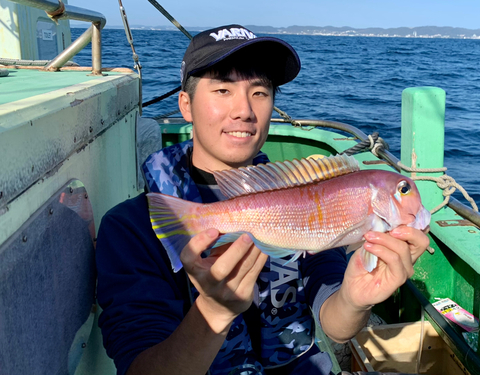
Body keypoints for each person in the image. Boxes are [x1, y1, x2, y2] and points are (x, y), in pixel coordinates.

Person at [96, 24, 430, 375]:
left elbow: (334, 323)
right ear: (187, 105)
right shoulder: (130, 227)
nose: (244, 110)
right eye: (223, 89)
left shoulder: (307, 202)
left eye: (260, 92)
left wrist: (354, 299)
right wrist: (213, 313)